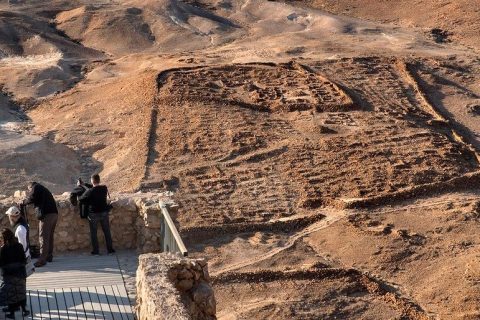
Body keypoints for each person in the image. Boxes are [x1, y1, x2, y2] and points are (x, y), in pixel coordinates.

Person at [22, 181, 58, 267]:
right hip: (54, 214)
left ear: (30, 187)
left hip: (47, 215)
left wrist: (24, 202)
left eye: (29, 190)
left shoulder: (36, 187)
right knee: (49, 236)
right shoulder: (43, 189)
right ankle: (49, 256)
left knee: (43, 237)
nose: (29, 191)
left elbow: (32, 198)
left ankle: (42, 260)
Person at [79, 174, 115, 255]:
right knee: (107, 231)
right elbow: (95, 188)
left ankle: (96, 251)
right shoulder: (104, 188)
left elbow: (81, 199)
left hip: (93, 214)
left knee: (94, 233)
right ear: (99, 180)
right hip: (104, 213)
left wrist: (81, 187)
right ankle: (110, 250)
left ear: (92, 181)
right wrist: (84, 184)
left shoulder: (90, 191)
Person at [0, 228, 30, 318]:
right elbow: (23, 259)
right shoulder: (19, 245)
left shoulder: (3, 249)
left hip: (9, 274)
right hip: (20, 273)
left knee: (10, 292)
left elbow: (1, 262)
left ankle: (12, 313)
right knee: (21, 291)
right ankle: (24, 309)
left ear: (3, 238)